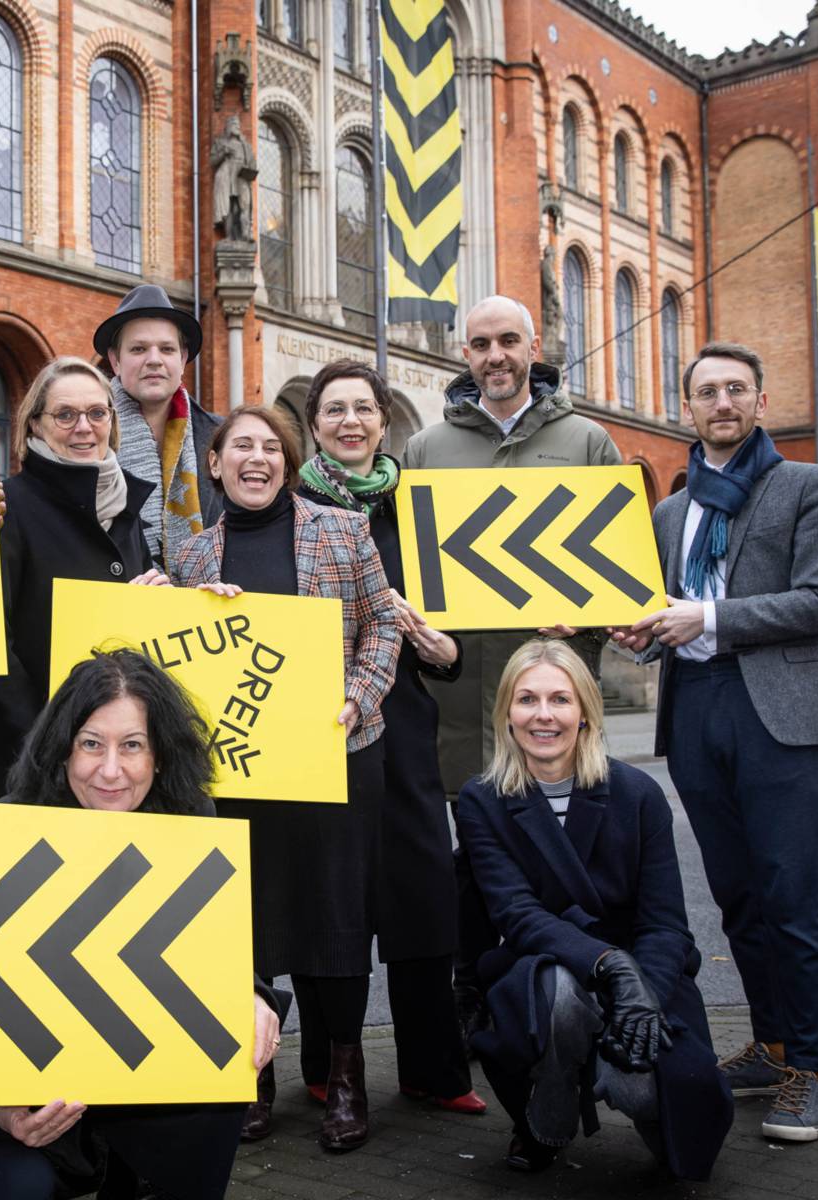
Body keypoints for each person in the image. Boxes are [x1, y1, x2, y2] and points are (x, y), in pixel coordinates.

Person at [0, 649, 279, 1200]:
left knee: (216, 1097)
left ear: (160, 756)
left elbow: (212, 952)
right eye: (91, 744)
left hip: (145, 1093)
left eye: (132, 745)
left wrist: (249, 998)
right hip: (32, 1112)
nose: (110, 770)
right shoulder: (4, 830)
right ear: (63, 749)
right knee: (12, 1184)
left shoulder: (191, 824)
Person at [613, 341, 818, 1143]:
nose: (722, 403)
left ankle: (808, 1072)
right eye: (708, 392)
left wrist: (709, 616)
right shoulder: (670, 512)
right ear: (687, 407)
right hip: (695, 708)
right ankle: (772, 1045)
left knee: (793, 894)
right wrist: (636, 634)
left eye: (737, 389)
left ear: (759, 401)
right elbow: (663, 617)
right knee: (738, 895)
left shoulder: (807, 485)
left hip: (778, 709)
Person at [171, 405, 399, 1152]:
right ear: (215, 464)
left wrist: (356, 698)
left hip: (337, 755)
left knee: (336, 915)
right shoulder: (193, 557)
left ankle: (346, 1075)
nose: (257, 458)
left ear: (288, 464)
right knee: (247, 921)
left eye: (272, 447)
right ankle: (254, 1072)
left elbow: (383, 625)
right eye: (241, 446)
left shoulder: (342, 530)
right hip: (239, 773)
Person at [401, 294, 621, 1046]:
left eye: (507, 341)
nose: (494, 356)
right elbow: (413, 571)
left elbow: (621, 574)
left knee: (561, 851)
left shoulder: (587, 441)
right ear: (463, 354)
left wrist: (586, 617)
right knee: (471, 857)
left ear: (534, 346)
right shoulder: (426, 449)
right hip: (461, 700)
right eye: (479, 344)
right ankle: (472, 988)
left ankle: (567, 992)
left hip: (551, 700)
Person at [457, 639, 733, 1181]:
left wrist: (640, 996)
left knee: (658, 1090)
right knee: (559, 988)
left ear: (584, 712)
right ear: (506, 713)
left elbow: (664, 922)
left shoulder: (638, 793)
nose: (543, 714)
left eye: (560, 699)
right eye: (527, 699)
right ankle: (549, 1099)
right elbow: (516, 914)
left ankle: (630, 1078)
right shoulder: (482, 799)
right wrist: (608, 964)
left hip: (644, 966)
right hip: (539, 962)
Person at [295, 360, 484, 1118]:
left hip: (403, 720)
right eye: (334, 409)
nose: (350, 421)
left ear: (383, 421)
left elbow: (455, 617)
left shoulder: (419, 509)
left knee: (421, 891)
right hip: (317, 725)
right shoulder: (288, 506)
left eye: (363, 409)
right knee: (324, 894)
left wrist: (447, 652)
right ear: (314, 425)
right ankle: (323, 1063)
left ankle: (433, 1069)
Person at [0, 357, 165, 801]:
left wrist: (157, 606)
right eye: (65, 415)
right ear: (35, 424)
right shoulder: (5, 507)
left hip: (116, 761)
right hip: (32, 755)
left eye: (97, 413)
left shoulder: (125, 510)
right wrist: (48, 734)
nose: (84, 428)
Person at [94, 284, 222, 567]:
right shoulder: (86, 435)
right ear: (115, 360)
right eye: (138, 349)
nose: (154, 360)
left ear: (182, 359)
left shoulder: (220, 437)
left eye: (166, 349)